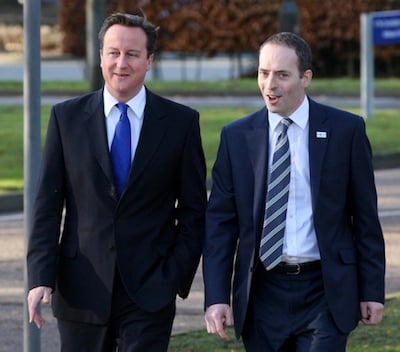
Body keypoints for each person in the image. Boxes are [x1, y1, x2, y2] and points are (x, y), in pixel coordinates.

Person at [27, 12, 207, 352]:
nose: (121, 63)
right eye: (113, 52)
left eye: (132, 54)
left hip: (150, 291)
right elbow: (47, 207)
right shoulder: (66, 119)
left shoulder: (181, 124)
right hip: (82, 289)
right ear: (100, 57)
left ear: (149, 60)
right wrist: (40, 278)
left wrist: (174, 276)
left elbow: (195, 210)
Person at [202, 32, 385, 351]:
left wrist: (372, 290)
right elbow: (220, 225)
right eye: (263, 73)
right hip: (262, 293)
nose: (269, 85)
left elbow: (366, 218)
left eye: (282, 75)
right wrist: (217, 297)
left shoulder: (346, 131)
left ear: (306, 78)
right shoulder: (237, 137)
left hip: (324, 292)